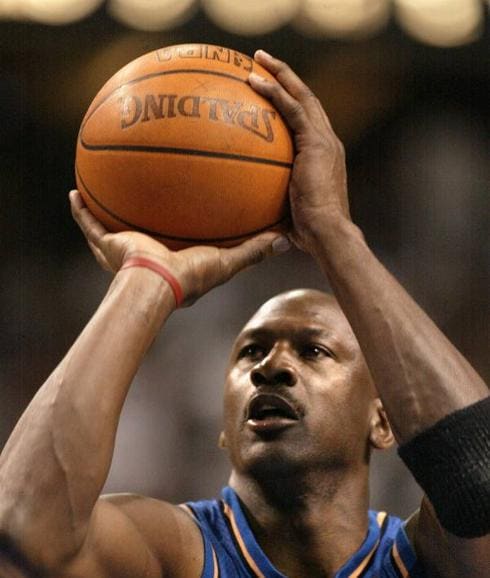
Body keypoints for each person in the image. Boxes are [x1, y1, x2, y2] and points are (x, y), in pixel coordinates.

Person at [0, 50, 488, 578]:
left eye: (315, 350)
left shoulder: (425, 560)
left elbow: (477, 474)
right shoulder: (173, 553)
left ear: (384, 420)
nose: (270, 367)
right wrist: (146, 278)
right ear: (224, 428)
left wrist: (334, 233)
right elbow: (23, 530)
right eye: (250, 351)